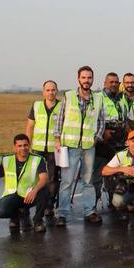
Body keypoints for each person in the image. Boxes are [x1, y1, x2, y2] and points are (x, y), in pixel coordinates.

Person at [54, 65, 106, 227]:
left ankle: (89, 211)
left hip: (89, 146)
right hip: (70, 146)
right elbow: (60, 118)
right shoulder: (68, 96)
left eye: (89, 78)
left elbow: (101, 121)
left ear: (92, 79)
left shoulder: (98, 98)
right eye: (83, 77)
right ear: (78, 79)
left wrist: (96, 138)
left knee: (88, 181)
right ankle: (62, 214)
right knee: (67, 181)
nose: (86, 80)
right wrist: (57, 139)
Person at [0, 134, 49, 233]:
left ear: (29, 145)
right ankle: (15, 216)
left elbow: (44, 178)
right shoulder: (7, 160)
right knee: (0, 211)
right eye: (20, 146)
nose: (23, 148)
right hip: (13, 195)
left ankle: (38, 221)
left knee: (45, 190)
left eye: (25, 145)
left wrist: (35, 190)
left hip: (30, 195)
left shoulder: (38, 159)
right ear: (14, 147)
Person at [25, 80, 61, 218]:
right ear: (43, 92)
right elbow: (30, 127)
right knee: (36, 178)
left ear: (56, 91)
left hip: (54, 150)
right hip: (37, 149)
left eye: (53, 90)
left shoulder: (62, 106)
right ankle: (31, 203)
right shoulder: (36, 105)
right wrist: (27, 145)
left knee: (52, 179)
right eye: (48, 90)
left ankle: (49, 205)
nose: (50, 92)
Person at [93, 72, 127, 208]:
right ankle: (92, 206)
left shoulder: (121, 98)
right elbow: (92, 119)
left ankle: (114, 202)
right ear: (105, 83)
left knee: (117, 173)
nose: (114, 84)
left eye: (116, 82)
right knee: (98, 174)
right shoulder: (98, 97)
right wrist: (102, 132)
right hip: (102, 141)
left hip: (118, 140)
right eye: (111, 82)